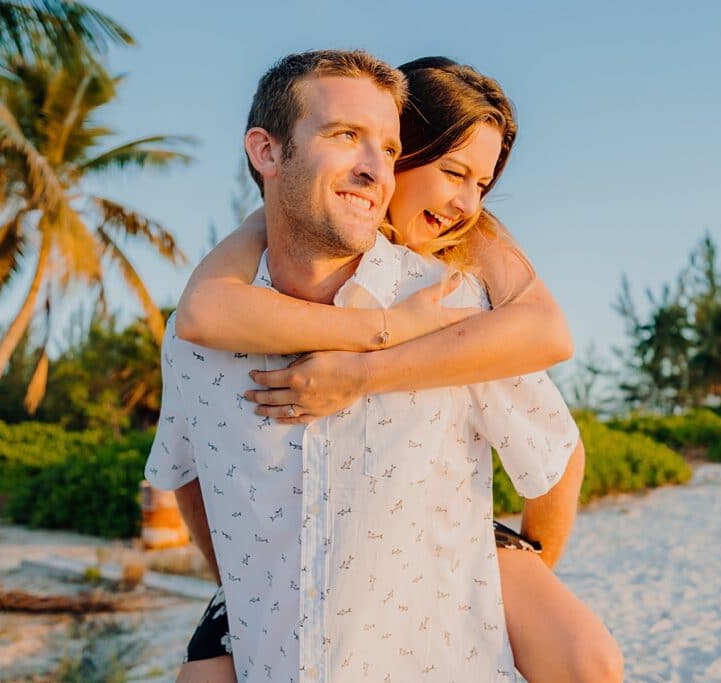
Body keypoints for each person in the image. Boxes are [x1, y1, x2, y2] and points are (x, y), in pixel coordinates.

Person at [167, 54, 622, 683]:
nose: (467, 201)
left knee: (586, 658)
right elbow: (203, 319)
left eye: (482, 184)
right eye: (453, 172)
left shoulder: (461, 279)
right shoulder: (244, 268)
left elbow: (549, 357)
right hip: (281, 571)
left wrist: (362, 373)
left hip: (447, 551)